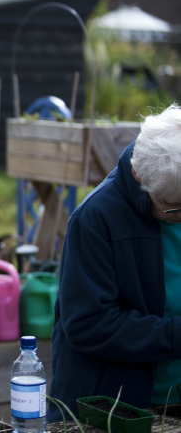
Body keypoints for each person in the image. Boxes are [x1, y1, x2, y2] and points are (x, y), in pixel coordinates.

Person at [48, 104, 181, 422]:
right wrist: (176, 335)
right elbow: (88, 324)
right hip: (116, 410)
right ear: (139, 178)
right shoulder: (95, 219)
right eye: (174, 209)